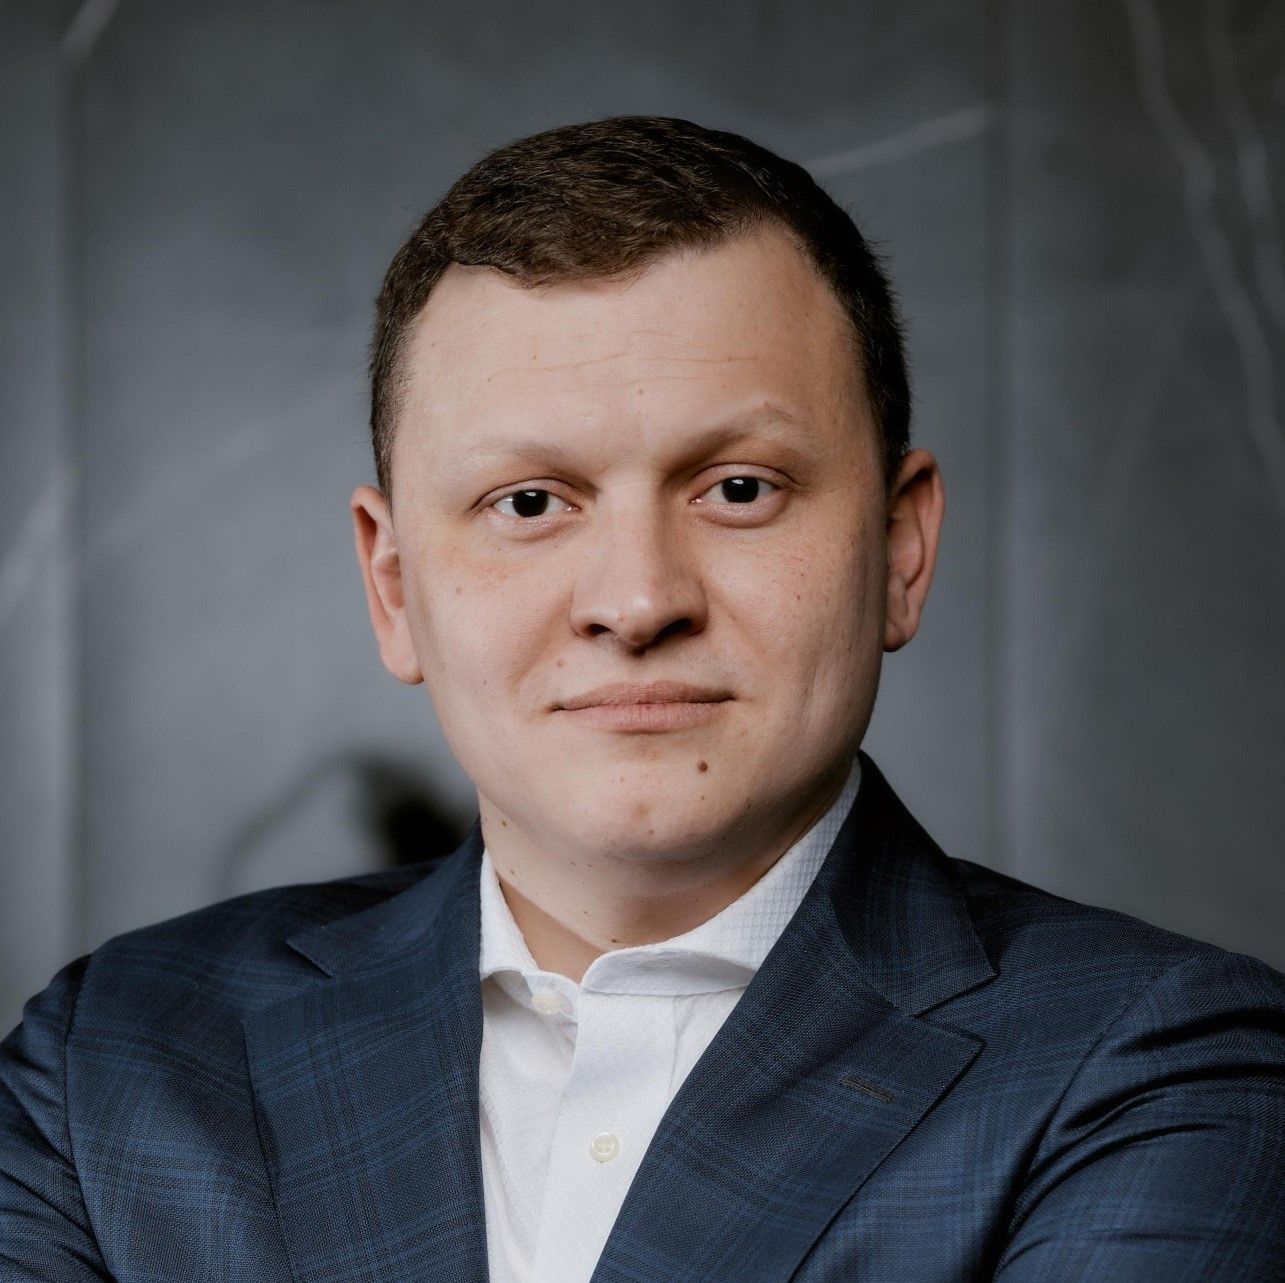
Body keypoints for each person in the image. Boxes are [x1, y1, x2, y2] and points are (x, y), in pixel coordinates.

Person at [2, 115, 1283, 1282]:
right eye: (528, 502)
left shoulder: (1159, 1068)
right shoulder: (114, 1059)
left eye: (738, 488)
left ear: (899, 548)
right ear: (393, 585)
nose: (634, 600)